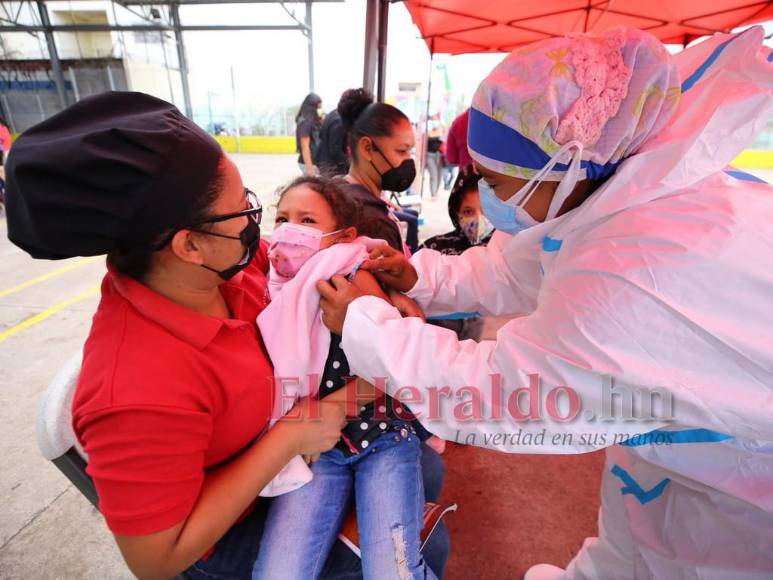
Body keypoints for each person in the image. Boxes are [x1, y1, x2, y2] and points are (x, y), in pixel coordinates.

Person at [316, 26, 773, 579]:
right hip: (682, 454)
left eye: (493, 182)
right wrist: (419, 277)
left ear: (565, 165)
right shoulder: (604, 188)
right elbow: (517, 261)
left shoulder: (637, 267)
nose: (483, 195)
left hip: (746, 490)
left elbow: (504, 396)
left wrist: (368, 323)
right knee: (639, 540)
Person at [4, 91, 449, 580]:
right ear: (189, 244)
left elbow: (316, 268)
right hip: (230, 523)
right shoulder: (133, 392)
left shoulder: (224, 273)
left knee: (421, 469)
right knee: (427, 536)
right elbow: (157, 559)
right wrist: (289, 436)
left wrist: (388, 292)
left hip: (296, 450)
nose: (263, 229)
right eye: (243, 212)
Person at [252, 175, 440, 579]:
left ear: (343, 237)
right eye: (282, 218)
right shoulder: (275, 291)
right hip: (321, 450)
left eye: (306, 221)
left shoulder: (354, 278)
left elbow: (391, 369)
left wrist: (320, 415)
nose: (289, 230)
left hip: (384, 439)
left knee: (393, 572)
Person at [336, 88, 418, 255]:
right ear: (367, 148)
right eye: (402, 151)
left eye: (411, 151)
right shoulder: (374, 224)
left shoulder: (339, 188)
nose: (409, 160)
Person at [420, 170, 493, 256]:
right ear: (456, 214)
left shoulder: (508, 250)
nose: (478, 218)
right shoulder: (432, 251)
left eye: (486, 209)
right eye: (468, 211)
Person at [316, 92, 350, 177]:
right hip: (332, 169)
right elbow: (335, 150)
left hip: (324, 164)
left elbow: (321, 135)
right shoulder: (339, 121)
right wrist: (350, 164)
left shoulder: (330, 115)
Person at [296, 92, 323, 175]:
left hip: (314, 162)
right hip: (309, 164)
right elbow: (305, 147)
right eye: (318, 107)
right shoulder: (305, 123)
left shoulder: (312, 121)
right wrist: (310, 169)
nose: (320, 110)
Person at [425, 115, 444, 199]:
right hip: (430, 155)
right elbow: (428, 138)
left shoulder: (442, 127)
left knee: (440, 175)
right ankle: (433, 193)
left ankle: (435, 191)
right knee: (433, 175)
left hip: (440, 155)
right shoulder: (427, 128)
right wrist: (437, 136)